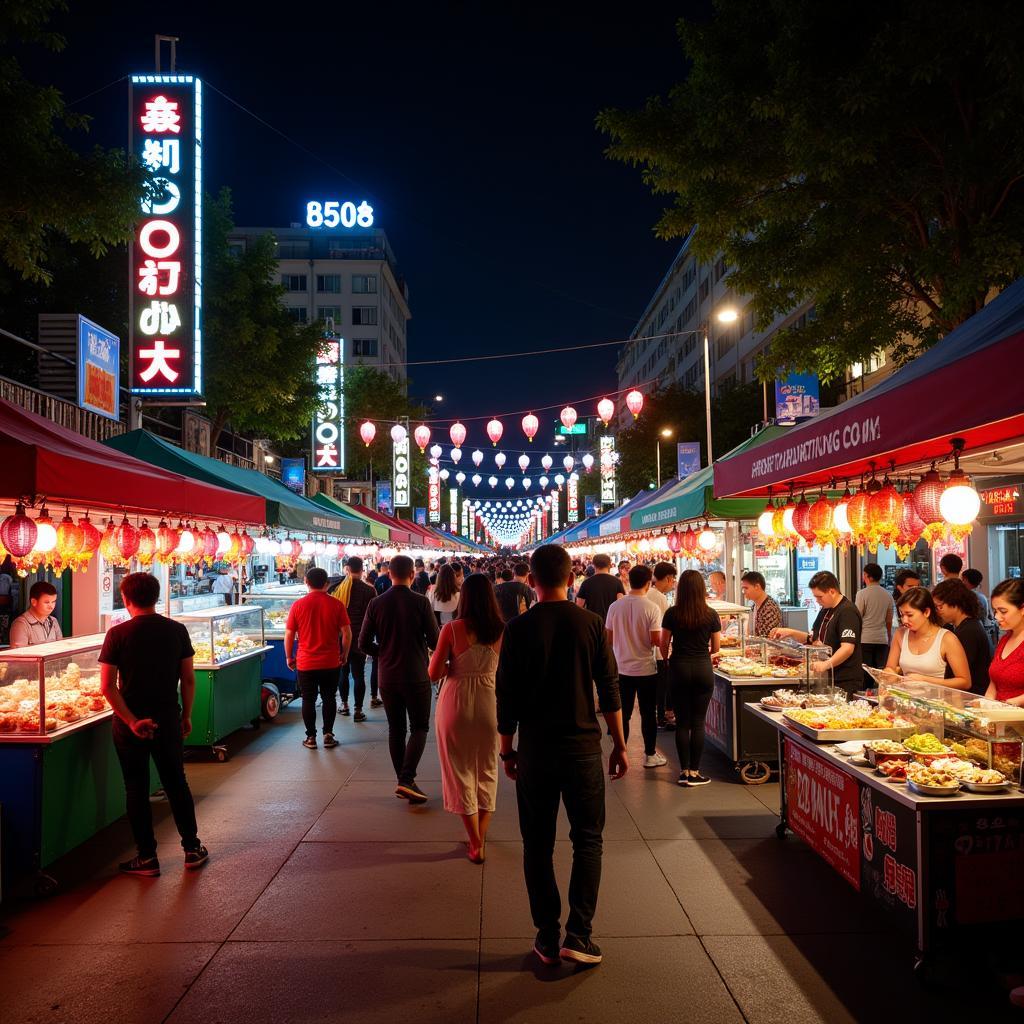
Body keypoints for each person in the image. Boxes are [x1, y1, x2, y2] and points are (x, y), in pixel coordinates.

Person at [496, 543, 626, 967]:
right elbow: (609, 689)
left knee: (537, 844)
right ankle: (580, 935)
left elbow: (506, 697)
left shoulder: (517, 629)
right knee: (588, 841)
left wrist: (507, 750)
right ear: (572, 579)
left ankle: (547, 936)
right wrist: (620, 744)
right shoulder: (591, 624)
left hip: (535, 750)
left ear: (531, 582)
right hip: (583, 749)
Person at [99, 572, 208, 877]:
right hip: (166, 719)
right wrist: (186, 715)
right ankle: (191, 849)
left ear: (125, 599)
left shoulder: (117, 634)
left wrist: (132, 721)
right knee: (176, 782)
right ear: (157, 597)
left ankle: (146, 858)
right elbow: (188, 678)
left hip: (128, 724)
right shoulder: (176, 630)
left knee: (135, 787)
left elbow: (107, 686)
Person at [429, 573, 504, 863]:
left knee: (458, 771)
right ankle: (480, 837)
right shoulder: (501, 630)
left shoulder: (452, 629)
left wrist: (449, 666)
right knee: (487, 769)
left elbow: (433, 673)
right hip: (487, 701)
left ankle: (474, 841)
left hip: (455, 703)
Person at [359, 555, 440, 802]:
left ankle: (404, 781)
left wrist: (383, 653)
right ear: (412, 574)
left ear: (389, 574)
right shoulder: (420, 602)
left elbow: (363, 643)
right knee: (420, 727)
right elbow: (435, 641)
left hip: (388, 676)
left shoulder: (376, 603)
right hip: (415, 673)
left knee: (396, 729)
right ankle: (406, 779)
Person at [660, 569, 721, 786]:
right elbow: (716, 647)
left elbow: (663, 644)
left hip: (679, 668)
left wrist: (668, 659)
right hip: (703, 669)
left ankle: (683, 771)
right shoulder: (711, 614)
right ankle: (695, 772)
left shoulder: (672, 613)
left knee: (682, 723)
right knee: (698, 723)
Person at [605, 564, 666, 769]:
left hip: (621, 668)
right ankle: (649, 755)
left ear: (628, 581)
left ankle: (620, 751)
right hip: (646, 669)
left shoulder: (615, 606)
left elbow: (609, 638)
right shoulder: (652, 608)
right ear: (649, 583)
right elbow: (655, 640)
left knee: (624, 712)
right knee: (648, 712)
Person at [285, 567, 352, 749]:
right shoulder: (336, 604)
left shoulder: (298, 605)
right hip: (331, 661)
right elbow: (347, 633)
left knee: (308, 699)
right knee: (329, 697)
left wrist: (289, 657)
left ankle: (311, 738)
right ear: (327, 584)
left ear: (306, 582)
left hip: (306, 662)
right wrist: (344, 654)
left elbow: (289, 634)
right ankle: (328, 735)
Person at [771, 571, 863, 697]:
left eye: (819, 597)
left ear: (832, 591)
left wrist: (826, 664)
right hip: (825, 678)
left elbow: (847, 648)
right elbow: (813, 639)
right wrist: (790, 632)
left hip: (844, 680)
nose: (817, 600)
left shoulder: (847, 612)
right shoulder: (825, 609)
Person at [883, 587, 971, 689]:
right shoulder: (900, 634)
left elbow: (965, 682)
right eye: (902, 615)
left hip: (935, 701)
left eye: (910, 615)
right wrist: (889, 672)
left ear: (926, 612)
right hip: (905, 699)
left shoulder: (947, 639)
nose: (904, 620)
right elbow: (890, 667)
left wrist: (924, 680)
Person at [332, 557, 376, 721]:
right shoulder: (369, 590)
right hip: (360, 637)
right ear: (362, 569)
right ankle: (358, 710)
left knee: (343, 672)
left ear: (347, 569)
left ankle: (344, 705)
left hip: (342, 637)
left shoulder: (338, 588)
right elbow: (372, 617)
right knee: (359, 674)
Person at [932, 578, 992, 694]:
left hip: (972, 696)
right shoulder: (965, 626)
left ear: (955, 604)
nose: (938, 611)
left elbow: (961, 678)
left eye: (940, 606)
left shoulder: (968, 631)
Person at [648, 562, 677, 729]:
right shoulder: (659, 597)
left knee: (659, 687)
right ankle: (661, 718)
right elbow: (667, 627)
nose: (672, 583)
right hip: (659, 650)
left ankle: (659, 717)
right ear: (667, 578)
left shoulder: (650, 594)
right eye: (672, 579)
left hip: (654, 649)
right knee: (662, 687)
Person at [987, 579, 1024, 706]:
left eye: (1003, 611)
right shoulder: (1004, 639)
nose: (997, 617)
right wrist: (987, 703)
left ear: (1022, 609)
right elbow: (994, 684)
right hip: (1001, 717)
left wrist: (1012, 703)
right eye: (995, 611)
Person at [855, 563, 894, 669]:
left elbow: (858, 616)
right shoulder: (888, 595)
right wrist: (889, 637)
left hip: (865, 638)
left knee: (866, 671)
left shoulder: (861, 594)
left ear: (867, 576)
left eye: (864, 574)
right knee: (880, 672)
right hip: (882, 639)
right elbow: (889, 620)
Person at [9, 580, 62, 647]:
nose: (51, 606)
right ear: (34, 602)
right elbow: (19, 655)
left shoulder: (54, 621)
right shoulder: (21, 624)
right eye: (47, 602)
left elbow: (60, 648)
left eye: (53, 602)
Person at [575, 553, 625, 620]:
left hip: (593, 622)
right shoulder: (617, 582)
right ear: (609, 565)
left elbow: (579, 607)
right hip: (611, 622)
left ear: (593, 565)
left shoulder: (586, 583)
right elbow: (621, 604)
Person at [963, 568, 1000, 647]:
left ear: (966, 580)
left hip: (972, 634)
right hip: (982, 631)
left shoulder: (969, 597)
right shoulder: (982, 596)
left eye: (963, 579)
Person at [740, 570, 782, 638]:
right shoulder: (754, 605)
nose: (743, 592)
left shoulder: (769, 608)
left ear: (757, 587)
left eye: (746, 588)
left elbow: (767, 639)